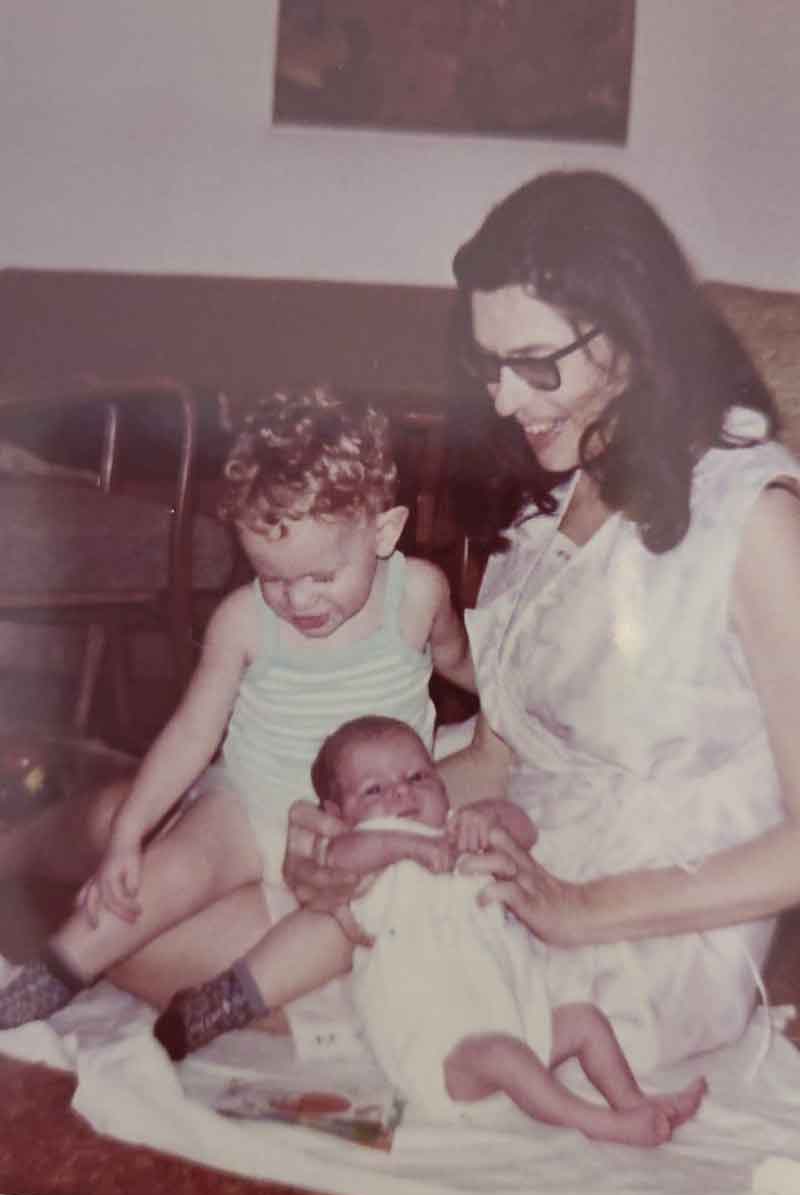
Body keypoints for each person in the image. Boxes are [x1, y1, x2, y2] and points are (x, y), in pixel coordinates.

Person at [283, 169, 800, 1076]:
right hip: (517, 856)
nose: (505, 400)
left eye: (537, 364)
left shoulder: (755, 520)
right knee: (226, 866)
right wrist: (372, 822)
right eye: (490, 366)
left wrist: (583, 906)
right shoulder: (559, 513)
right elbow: (500, 755)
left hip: (650, 929)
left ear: (636, 338)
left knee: (261, 963)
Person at [0, 386, 474, 1027]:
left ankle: (228, 999)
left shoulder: (418, 593)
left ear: (384, 531)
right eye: (275, 578)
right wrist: (128, 836)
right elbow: (194, 731)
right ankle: (51, 976)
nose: (299, 600)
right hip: (247, 806)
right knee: (168, 873)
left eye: (320, 577)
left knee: (375, 911)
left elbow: (458, 663)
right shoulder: (244, 620)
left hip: (366, 824)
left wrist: (514, 702)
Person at [154, 716, 706, 1144]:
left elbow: (525, 828)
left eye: (417, 777)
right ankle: (601, 1125)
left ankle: (634, 1103)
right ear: (338, 811)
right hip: (443, 1053)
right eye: (374, 791)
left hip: (515, 1019)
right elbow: (345, 851)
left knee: (584, 1020)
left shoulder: (455, 831)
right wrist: (411, 845)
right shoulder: (372, 865)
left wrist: (490, 817)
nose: (400, 794)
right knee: (506, 1058)